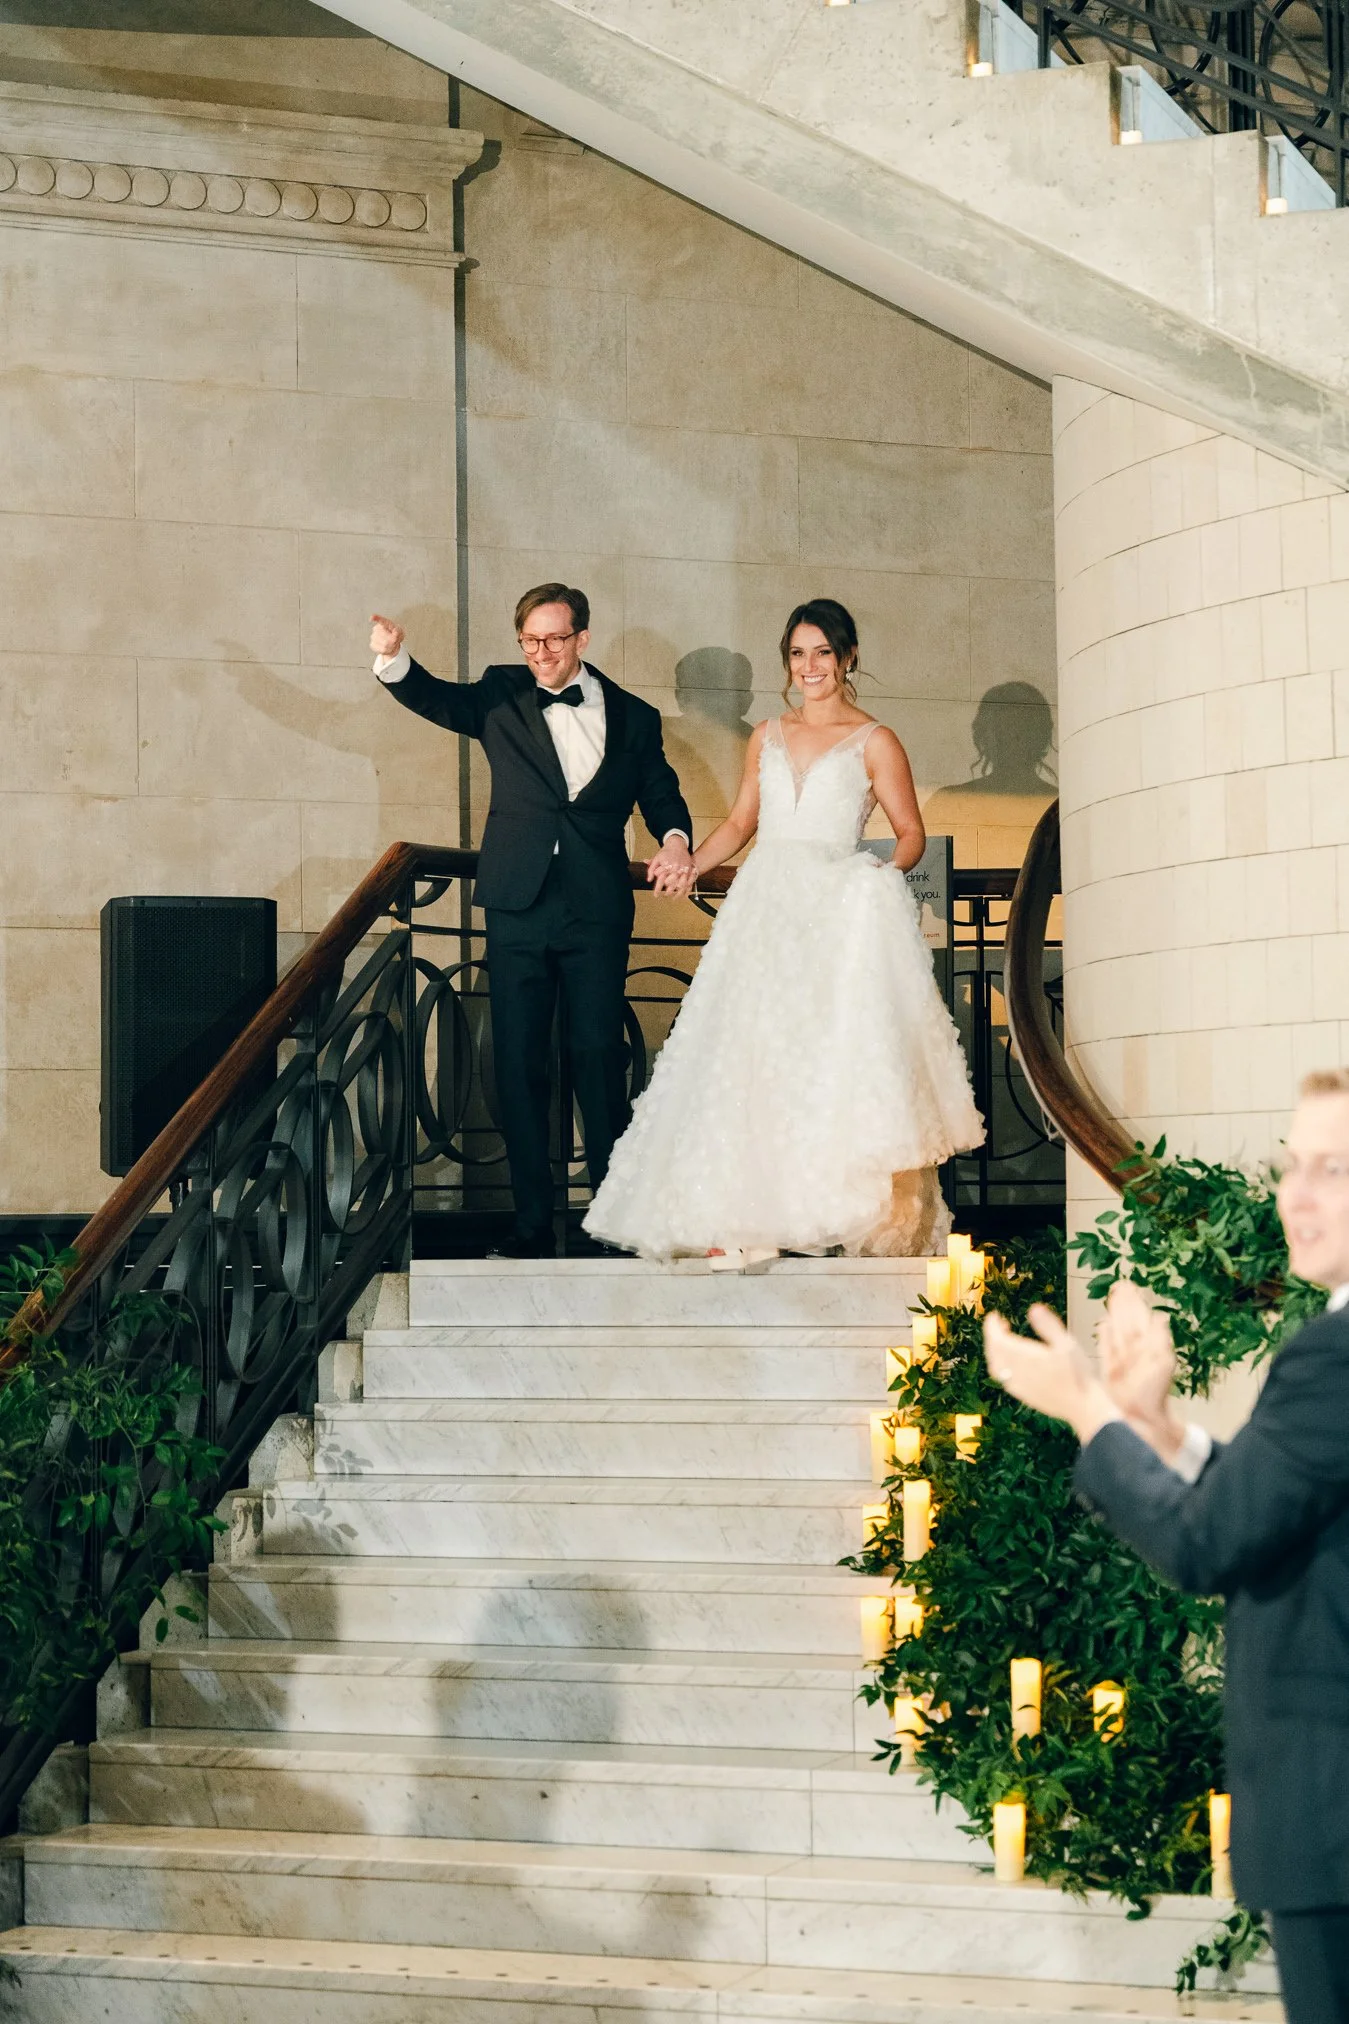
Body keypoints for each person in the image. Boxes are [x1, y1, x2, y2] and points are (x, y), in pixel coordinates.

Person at [984, 1069, 1349, 2024]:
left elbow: (1204, 1546)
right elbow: (1286, 1501)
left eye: (1331, 1170)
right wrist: (1151, 1426)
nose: (1294, 1196)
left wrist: (1086, 1408)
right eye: (1289, 1166)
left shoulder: (1334, 1355)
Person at [584, 598, 984, 1265]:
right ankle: (743, 1215)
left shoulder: (875, 739)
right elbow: (742, 824)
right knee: (749, 1055)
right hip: (764, 909)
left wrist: (876, 875)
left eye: (822, 652)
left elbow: (909, 833)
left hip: (831, 909)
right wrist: (687, 858)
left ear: (847, 656)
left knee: (821, 1057)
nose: (809, 667)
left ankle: (827, 1208)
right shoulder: (766, 735)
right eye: (797, 654)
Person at [369, 587, 694, 1258]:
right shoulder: (500, 692)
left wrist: (675, 840)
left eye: (552, 640)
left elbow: (660, 790)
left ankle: (610, 1219)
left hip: (596, 907)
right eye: (529, 641)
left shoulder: (635, 716)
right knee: (518, 1064)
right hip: (518, 902)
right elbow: (436, 698)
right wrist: (394, 660)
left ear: (582, 638)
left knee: (599, 1058)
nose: (540, 654)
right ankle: (529, 1225)